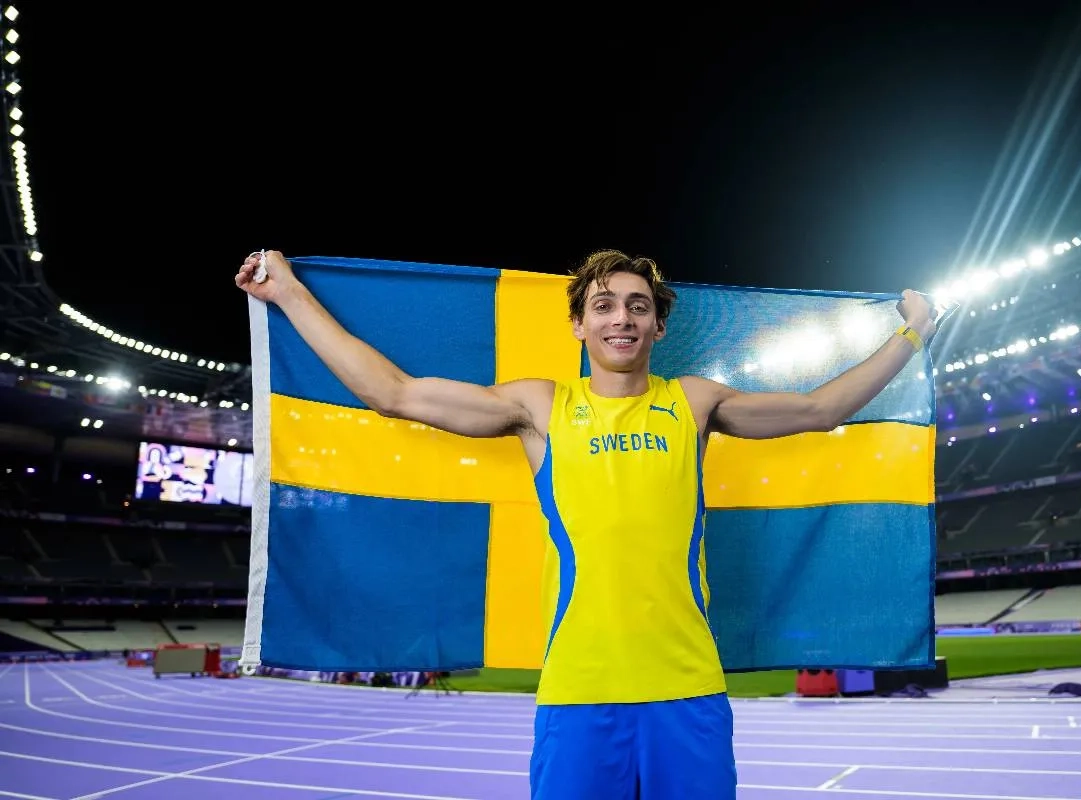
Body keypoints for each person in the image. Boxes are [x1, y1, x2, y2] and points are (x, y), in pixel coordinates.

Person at [235, 248, 937, 799]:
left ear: (659, 325)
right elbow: (392, 393)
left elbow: (820, 410)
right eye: (603, 305)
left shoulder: (692, 404)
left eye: (637, 306)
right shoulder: (541, 409)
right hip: (578, 693)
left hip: (686, 690)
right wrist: (289, 293)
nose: (620, 319)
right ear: (578, 324)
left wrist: (912, 334)